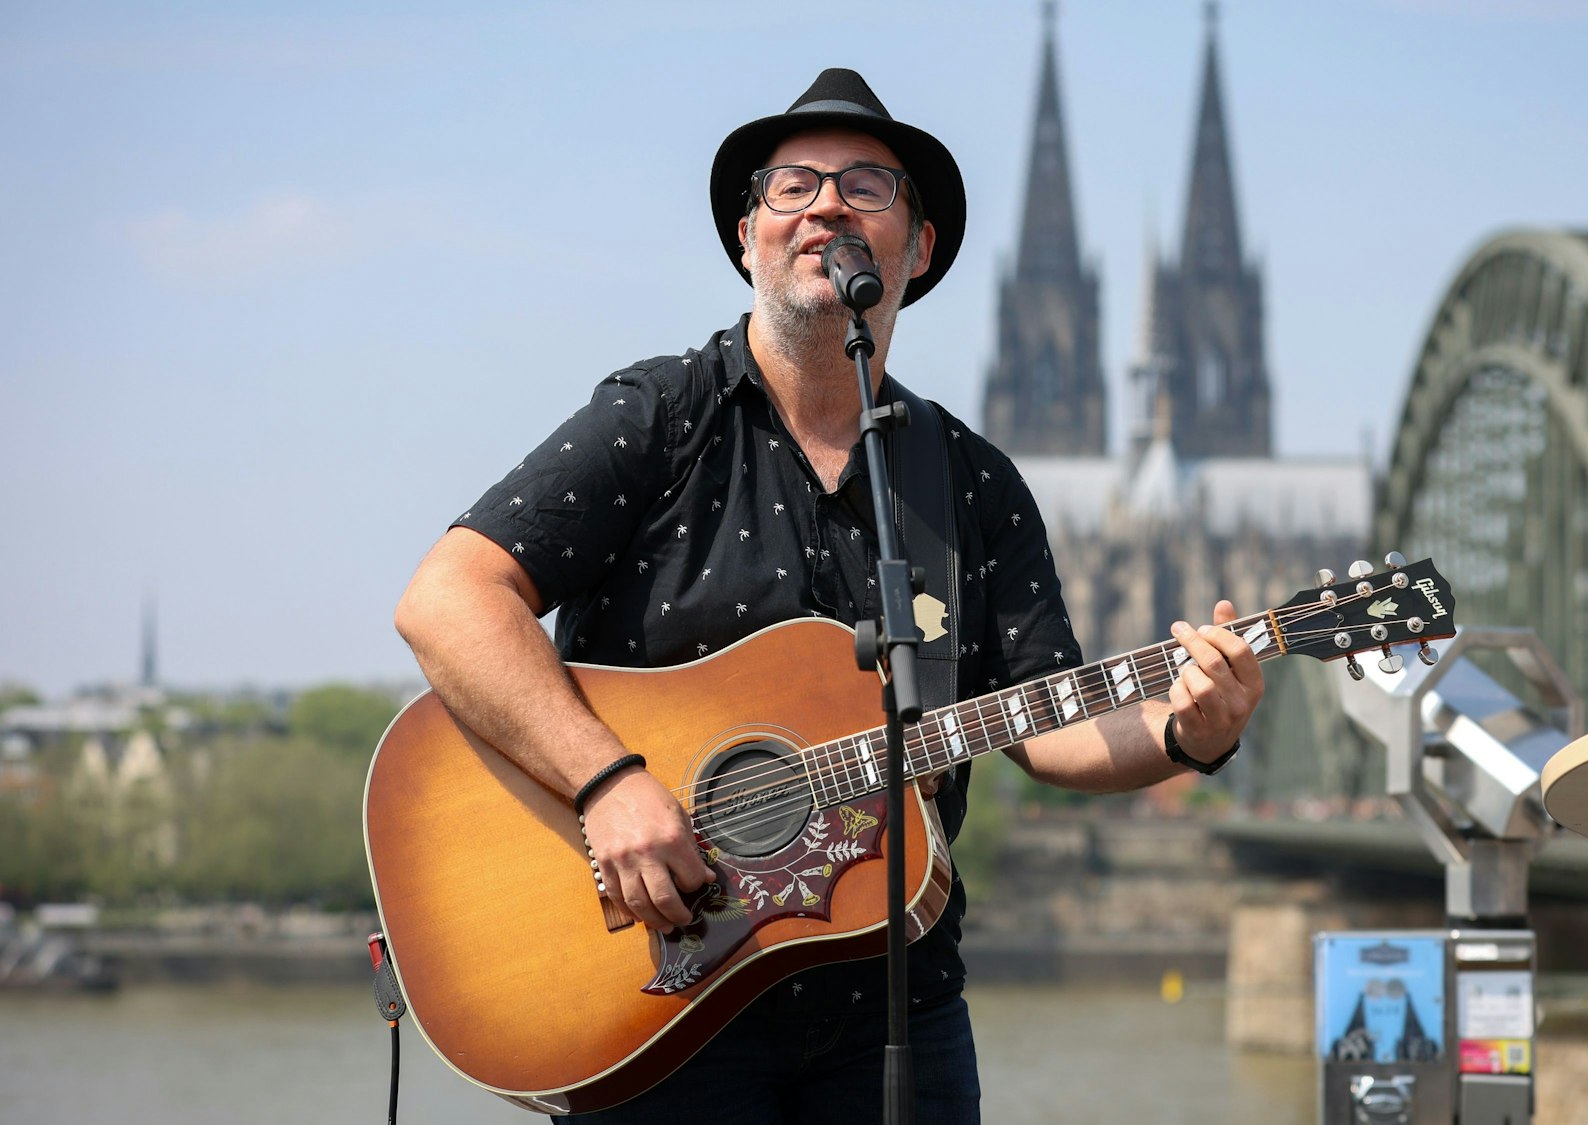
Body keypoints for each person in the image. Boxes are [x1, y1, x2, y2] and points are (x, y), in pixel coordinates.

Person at [393, 68, 1264, 1124]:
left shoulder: (971, 480)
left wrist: (1188, 732)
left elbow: (1046, 721)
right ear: (746, 235)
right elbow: (450, 598)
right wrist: (607, 782)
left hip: (895, 1006)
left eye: (866, 185)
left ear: (919, 247)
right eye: (792, 185)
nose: (826, 206)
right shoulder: (658, 418)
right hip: (658, 1002)